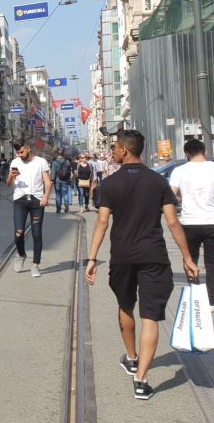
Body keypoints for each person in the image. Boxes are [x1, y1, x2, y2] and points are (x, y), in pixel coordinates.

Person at [85, 130, 199, 400]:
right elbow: (172, 222)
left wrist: (92, 258)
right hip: (154, 257)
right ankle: (141, 379)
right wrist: (187, 257)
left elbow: (102, 222)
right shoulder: (158, 181)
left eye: (115, 147)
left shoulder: (110, 184)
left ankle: (132, 357)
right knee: (151, 317)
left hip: (122, 257)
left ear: (124, 150)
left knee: (125, 305)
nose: (112, 151)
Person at [168, 138, 214, 310]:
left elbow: (171, 196)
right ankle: (212, 301)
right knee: (212, 263)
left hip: (189, 222)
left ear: (186, 154)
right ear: (205, 152)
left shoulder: (179, 171)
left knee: (190, 258)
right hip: (212, 221)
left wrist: (182, 199)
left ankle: (194, 292)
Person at [7, 141, 52, 278]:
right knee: (18, 232)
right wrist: (11, 176)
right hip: (20, 200)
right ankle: (21, 255)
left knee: (36, 233)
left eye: (21, 152)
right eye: (18, 153)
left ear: (28, 148)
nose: (19, 155)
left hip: (36, 201)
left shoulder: (41, 162)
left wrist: (45, 196)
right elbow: (9, 185)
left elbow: (47, 182)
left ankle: (35, 265)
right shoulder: (15, 163)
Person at [51, 149, 74, 214]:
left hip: (57, 181)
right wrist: (69, 178)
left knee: (58, 195)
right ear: (63, 154)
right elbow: (69, 171)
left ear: (57, 154)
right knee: (65, 193)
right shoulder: (67, 162)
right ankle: (66, 204)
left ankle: (58, 209)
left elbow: (53, 172)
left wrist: (52, 180)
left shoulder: (54, 162)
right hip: (65, 180)